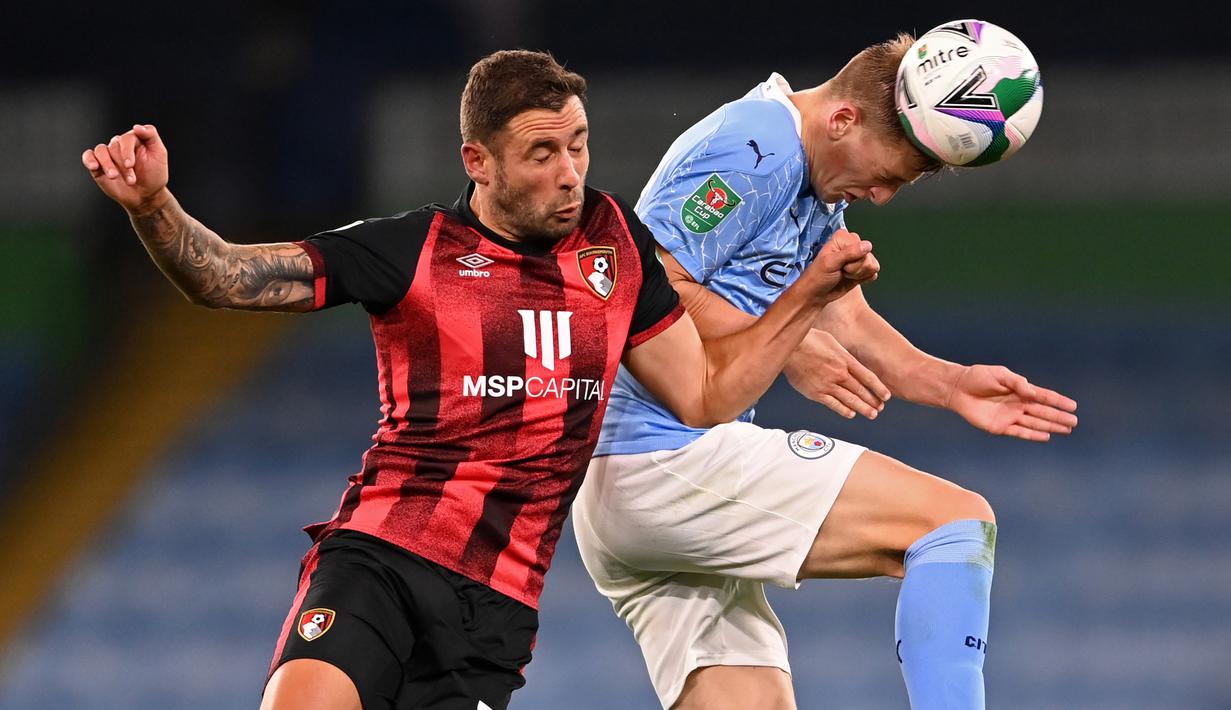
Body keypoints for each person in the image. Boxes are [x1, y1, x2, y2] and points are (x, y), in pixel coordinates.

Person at [80, 50, 881, 710]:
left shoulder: (614, 244)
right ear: (478, 161)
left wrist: (805, 298)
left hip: (492, 606)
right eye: (542, 153)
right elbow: (227, 277)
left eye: (578, 144)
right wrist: (154, 207)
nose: (570, 173)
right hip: (381, 557)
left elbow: (705, 396)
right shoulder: (412, 250)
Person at [571, 33, 1080, 710]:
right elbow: (640, 284)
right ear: (841, 118)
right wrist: (784, 336)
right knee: (951, 524)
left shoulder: (810, 172)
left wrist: (950, 384)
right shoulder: (756, 149)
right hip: (655, 453)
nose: (884, 195)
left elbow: (845, 315)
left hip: (630, 490)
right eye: (889, 174)